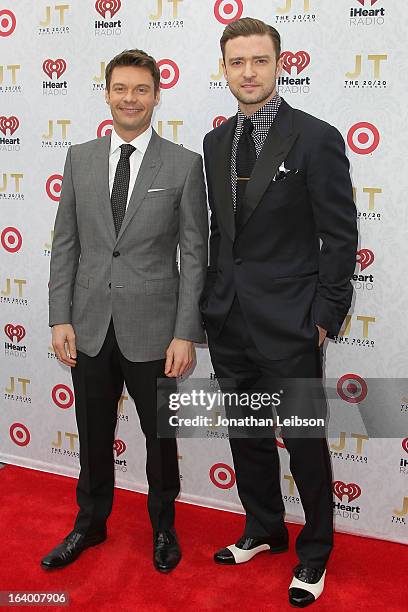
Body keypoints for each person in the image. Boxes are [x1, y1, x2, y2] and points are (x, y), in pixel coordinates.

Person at [200, 18, 357, 607]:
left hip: (292, 323)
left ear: (279, 63)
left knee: (304, 441)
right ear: (224, 68)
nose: (247, 72)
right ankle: (264, 526)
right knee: (248, 438)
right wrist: (209, 307)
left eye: (259, 61)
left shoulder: (316, 138)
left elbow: (340, 238)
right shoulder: (215, 143)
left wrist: (325, 315)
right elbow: (222, 235)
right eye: (236, 62)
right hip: (229, 320)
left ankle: (315, 550)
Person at [42, 49, 208, 573]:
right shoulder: (79, 158)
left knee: (160, 436)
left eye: (141, 90)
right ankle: (89, 524)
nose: (130, 99)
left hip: (155, 330)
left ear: (157, 96)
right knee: (92, 431)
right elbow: (65, 243)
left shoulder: (184, 164)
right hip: (89, 324)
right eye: (121, 89)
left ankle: (163, 526)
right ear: (106, 92)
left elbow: (194, 254)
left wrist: (185, 333)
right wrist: (59, 316)